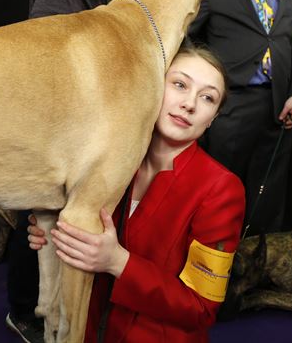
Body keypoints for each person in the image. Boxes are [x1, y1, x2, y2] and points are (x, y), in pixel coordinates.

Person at [28, 45, 246, 343]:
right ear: (153, 85)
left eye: (207, 97)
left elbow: (201, 308)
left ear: (213, 118)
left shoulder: (222, 188)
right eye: (180, 84)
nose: (190, 104)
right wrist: (56, 235)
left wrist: (117, 261)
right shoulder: (109, 161)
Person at [5, 0, 141, 342]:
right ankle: (25, 312)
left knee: (54, 226)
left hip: (76, 134)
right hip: (52, 134)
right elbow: (38, 62)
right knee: (39, 225)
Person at [188, 0, 292, 236]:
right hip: (230, 106)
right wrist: (200, 88)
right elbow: (186, 38)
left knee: (268, 195)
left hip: (277, 108)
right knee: (218, 185)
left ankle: (260, 266)